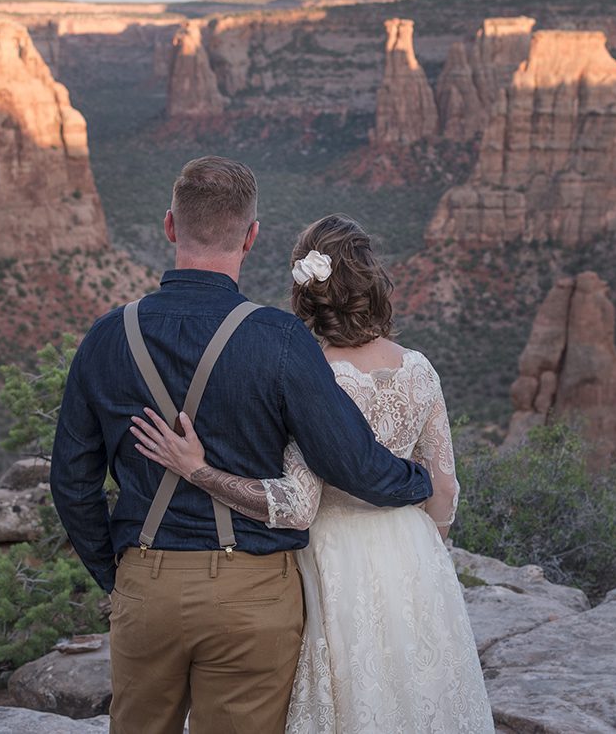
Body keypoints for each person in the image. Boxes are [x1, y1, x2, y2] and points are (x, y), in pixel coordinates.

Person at [50, 158, 433, 734]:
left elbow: (72, 483)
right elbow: (351, 464)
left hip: (145, 582)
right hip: (251, 592)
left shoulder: (107, 336)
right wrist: (421, 480)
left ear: (170, 227)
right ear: (250, 236)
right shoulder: (278, 339)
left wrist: (120, 573)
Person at [129, 214, 493, 733]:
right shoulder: (419, 368)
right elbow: (445, 484)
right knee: (420, 695)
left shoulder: (308, 373)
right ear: (373, 284)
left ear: (307, 291)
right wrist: (428, 549)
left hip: (330, 557)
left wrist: (200, 471)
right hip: (413, 553)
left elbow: (298, 504)